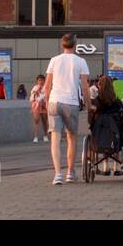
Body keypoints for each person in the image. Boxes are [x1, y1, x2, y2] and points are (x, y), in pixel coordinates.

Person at [44, 33, 92, 185]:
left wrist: (46, 102)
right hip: (71, 103)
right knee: (71, 138)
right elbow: (85, 87)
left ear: (62, 44)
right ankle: (70, 172)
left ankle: (58, 174)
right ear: (75, 45)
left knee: (55, 139)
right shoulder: (81, 61)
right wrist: (89, 105)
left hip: (54, 101)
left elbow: (46, 86)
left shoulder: (54, 60)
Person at [29, 74, 49, 143]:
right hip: (36, 106)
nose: (41, 81)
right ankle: (35, 137)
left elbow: (47, 96)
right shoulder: (34, 88)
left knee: (44, 121)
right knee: (36, 120)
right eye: (39, 80)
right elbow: (31, 98)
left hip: (43, 106)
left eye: (42, 80)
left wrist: (45, 102)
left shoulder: (46, 87)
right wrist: (35, 93)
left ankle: (45, 135)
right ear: (37, 81)